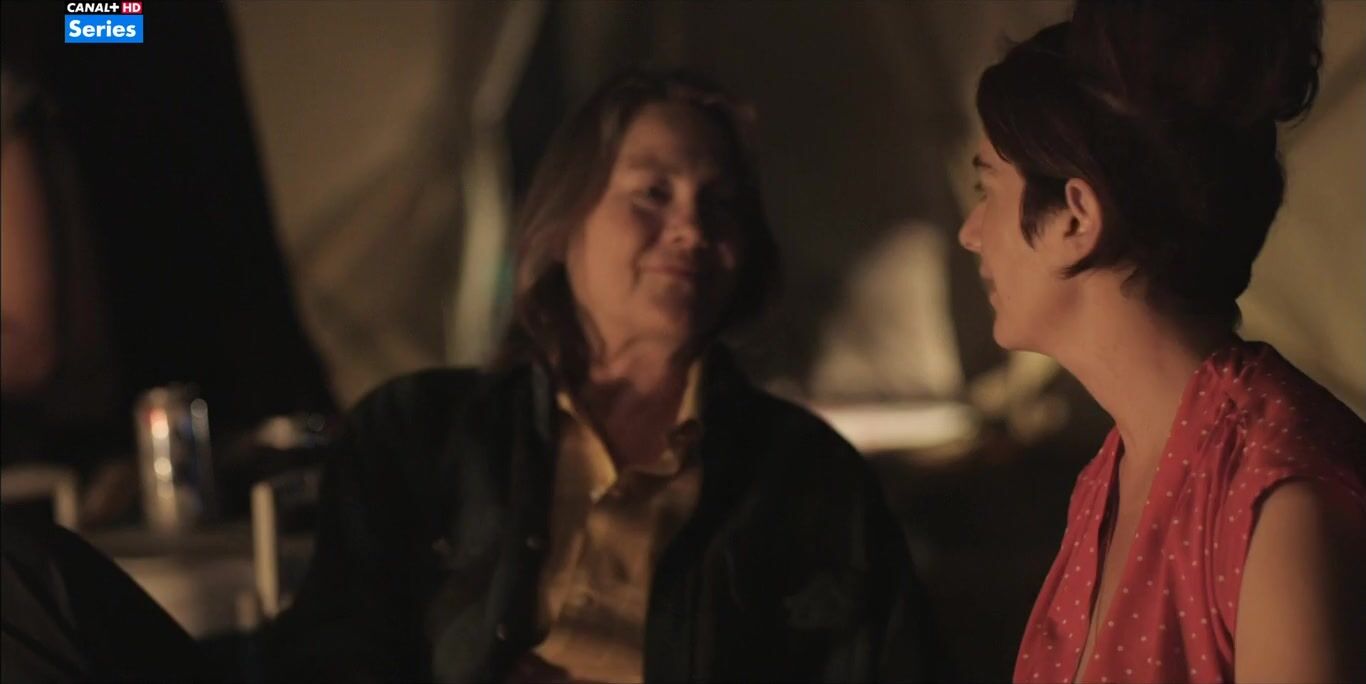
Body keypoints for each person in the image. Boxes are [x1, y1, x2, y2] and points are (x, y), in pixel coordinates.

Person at [264, 69, 936, 683]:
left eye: (721, 202)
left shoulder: (807, 477)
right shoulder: (417, 434)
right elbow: (331, 654)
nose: (691, 229)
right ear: (565, 222)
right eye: (653, 193)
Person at [957, 2, 1365, 682]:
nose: (971, 232)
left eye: (987, 188)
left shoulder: (1280, 499)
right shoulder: (1114, 473)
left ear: (1076, 219)